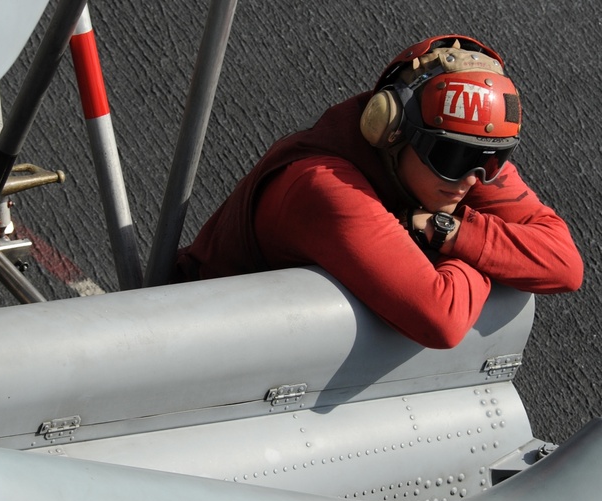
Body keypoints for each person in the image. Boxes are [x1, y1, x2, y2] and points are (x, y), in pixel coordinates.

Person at [174, 35, 582, 348]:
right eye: (451, 156)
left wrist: (451, 232)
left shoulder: (462, 163)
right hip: (192, 353)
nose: (473, 179)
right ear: (390, 129)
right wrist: (488, 254)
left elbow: (565, 264)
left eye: (495, 159)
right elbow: (441, 317)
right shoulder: (323, 185)